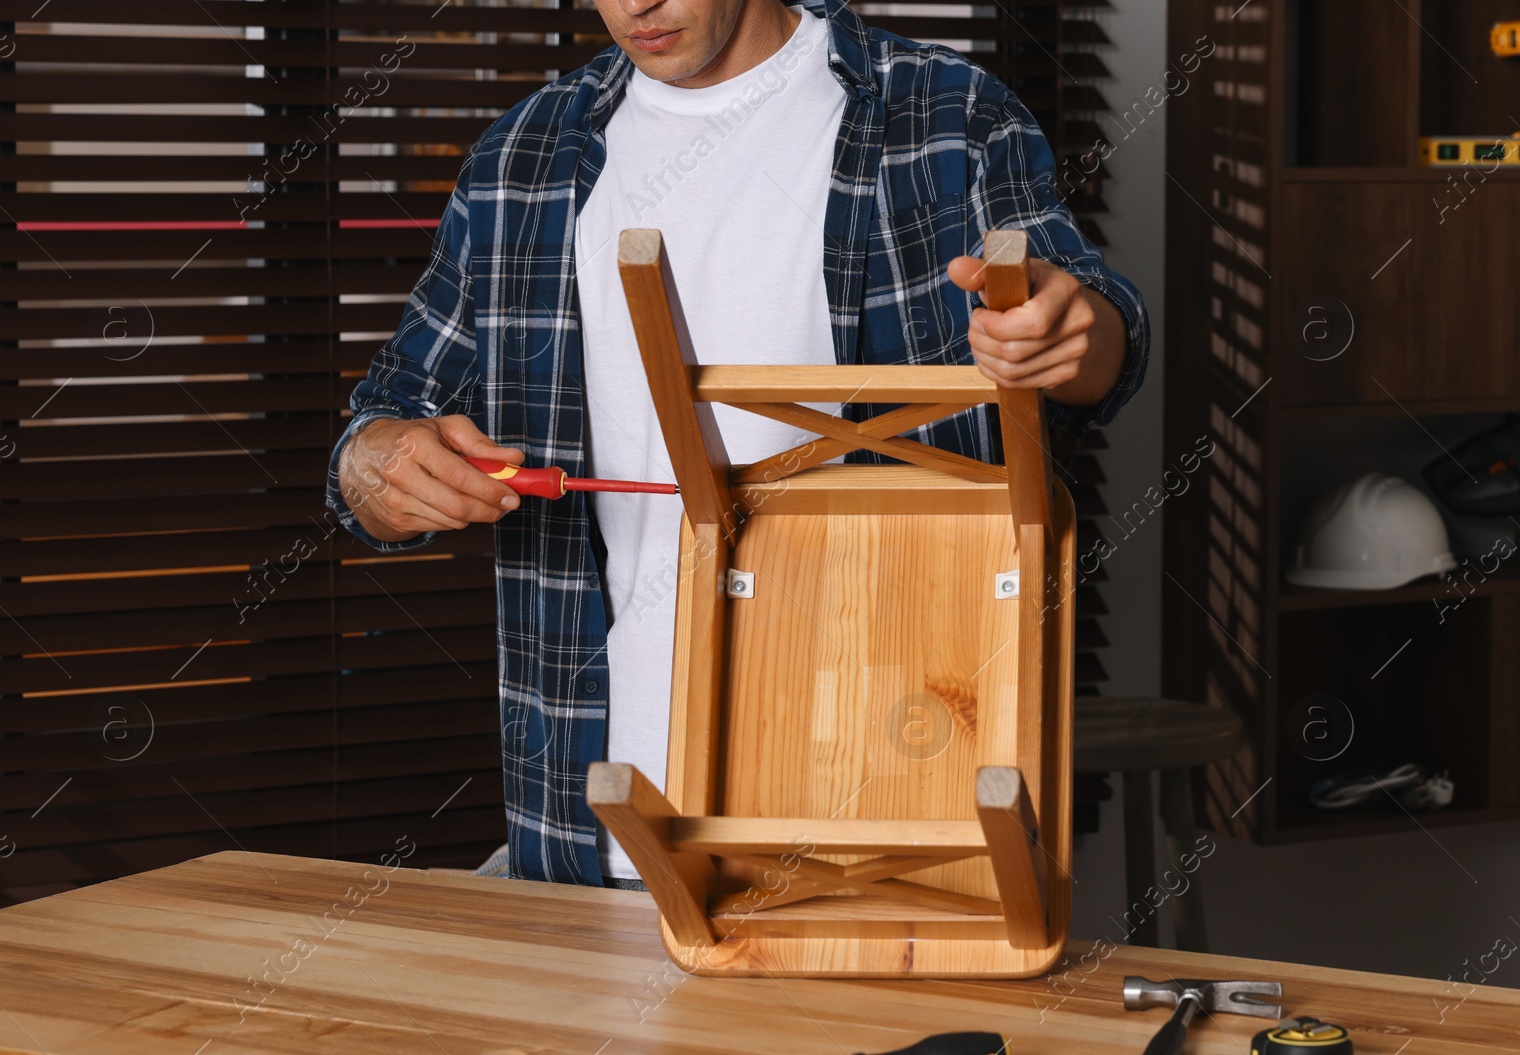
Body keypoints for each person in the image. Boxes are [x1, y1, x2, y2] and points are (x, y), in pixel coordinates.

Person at [327, 0, 1149, 887]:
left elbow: (1097, 332)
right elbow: (384, 420)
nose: (635, 5)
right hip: (594, 835)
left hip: (891, 819)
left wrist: (1069, 334)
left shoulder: (945, 113)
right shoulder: (521, 159)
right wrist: (379, 464)